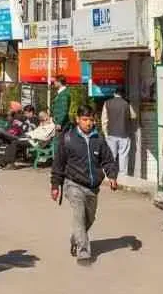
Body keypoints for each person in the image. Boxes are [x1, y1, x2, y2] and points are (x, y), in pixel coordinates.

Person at [50, 105, 119, 266]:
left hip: (93, 187)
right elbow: (58, 164)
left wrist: (112, 176)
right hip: (73, 184)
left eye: (91, 120)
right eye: (85, 119)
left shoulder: (99, 139)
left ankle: (76, 238)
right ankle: (83, 252)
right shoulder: (68, 138)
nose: (88, 123)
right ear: (78, 120)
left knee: (89, 218)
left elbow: (108, 160)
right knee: (79, 216)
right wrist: (55, 185)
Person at [101, 90, 136, 177]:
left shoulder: (107, 103)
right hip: (124, 133)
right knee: (123, 155)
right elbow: (133, 115)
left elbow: (104, 120)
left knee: (111, 155)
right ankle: (123, 175)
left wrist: (105, 133)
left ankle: (110, 174)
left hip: (111, 133)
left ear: (114, 94)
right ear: (122, 94)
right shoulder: (126, 103)